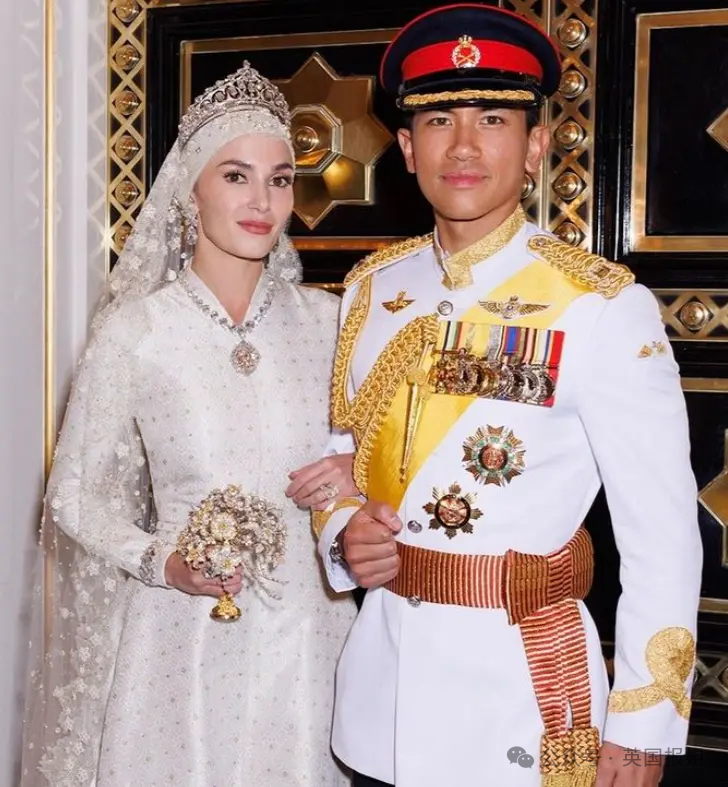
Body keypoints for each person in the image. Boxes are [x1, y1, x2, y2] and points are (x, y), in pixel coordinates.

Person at [313, 5, 703, 787]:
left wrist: (642, 728)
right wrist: (343, 535)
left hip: (520, 704)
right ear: (406, 148)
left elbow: (662, 536)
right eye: (439, 121)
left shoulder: (599, 305)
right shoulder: (370, 291)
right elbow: (339, 460)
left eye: (492, 119)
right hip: (377, 705)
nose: (463, 145)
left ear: (533, 147)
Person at [20, 61, 358, 786]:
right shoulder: (137, 332)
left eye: (279, 179)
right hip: (181, 637)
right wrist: (162, 562)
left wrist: (358, 473)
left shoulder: (334, 324)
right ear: (189, 190)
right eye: (236, 176)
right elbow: (73, 494)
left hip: (311, 638)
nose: (261, 200)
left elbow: (394, 462)